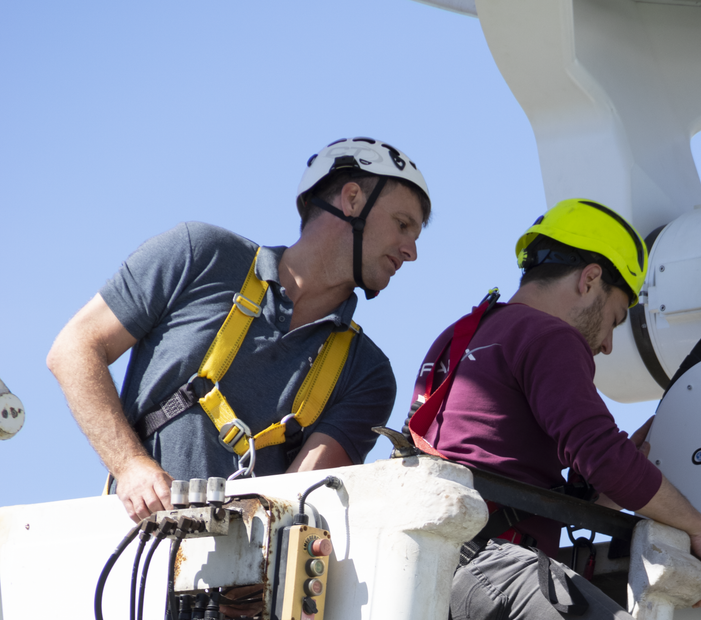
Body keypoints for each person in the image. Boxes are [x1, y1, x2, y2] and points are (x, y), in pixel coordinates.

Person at [407, 198, 701, 620]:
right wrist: (696, 525)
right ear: (588, 279)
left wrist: (594, 492)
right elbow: (598, 450)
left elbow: (493, 461)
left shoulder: (462, 335)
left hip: (429, 582)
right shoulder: (549, 336)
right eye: (614, 315)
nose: (607, 344)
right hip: (491, 578)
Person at [48, 138, 431, 522]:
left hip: (246, 573)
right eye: (402, 224)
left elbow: (296, 504)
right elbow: (74, 348)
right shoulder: (199, 254)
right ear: (352, 200)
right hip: (129, 546)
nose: (411, 251)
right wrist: (130, 466)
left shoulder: (367, 373)